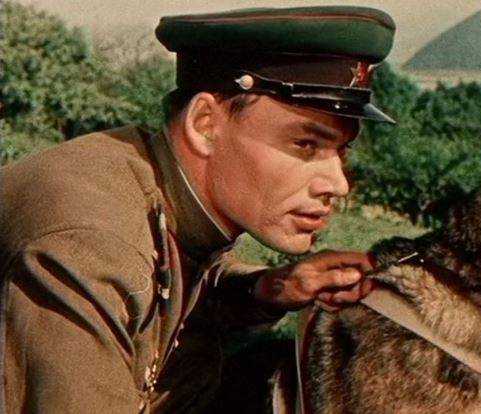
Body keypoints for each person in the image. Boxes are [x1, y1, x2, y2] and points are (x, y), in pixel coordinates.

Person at [0, 6, 396, 413]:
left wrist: (266, 289)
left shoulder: (167, 193)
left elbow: (173, 279)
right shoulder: (88, 244)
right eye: (305, 145)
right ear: (205, 124)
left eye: (341, 151)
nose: (338, 184)